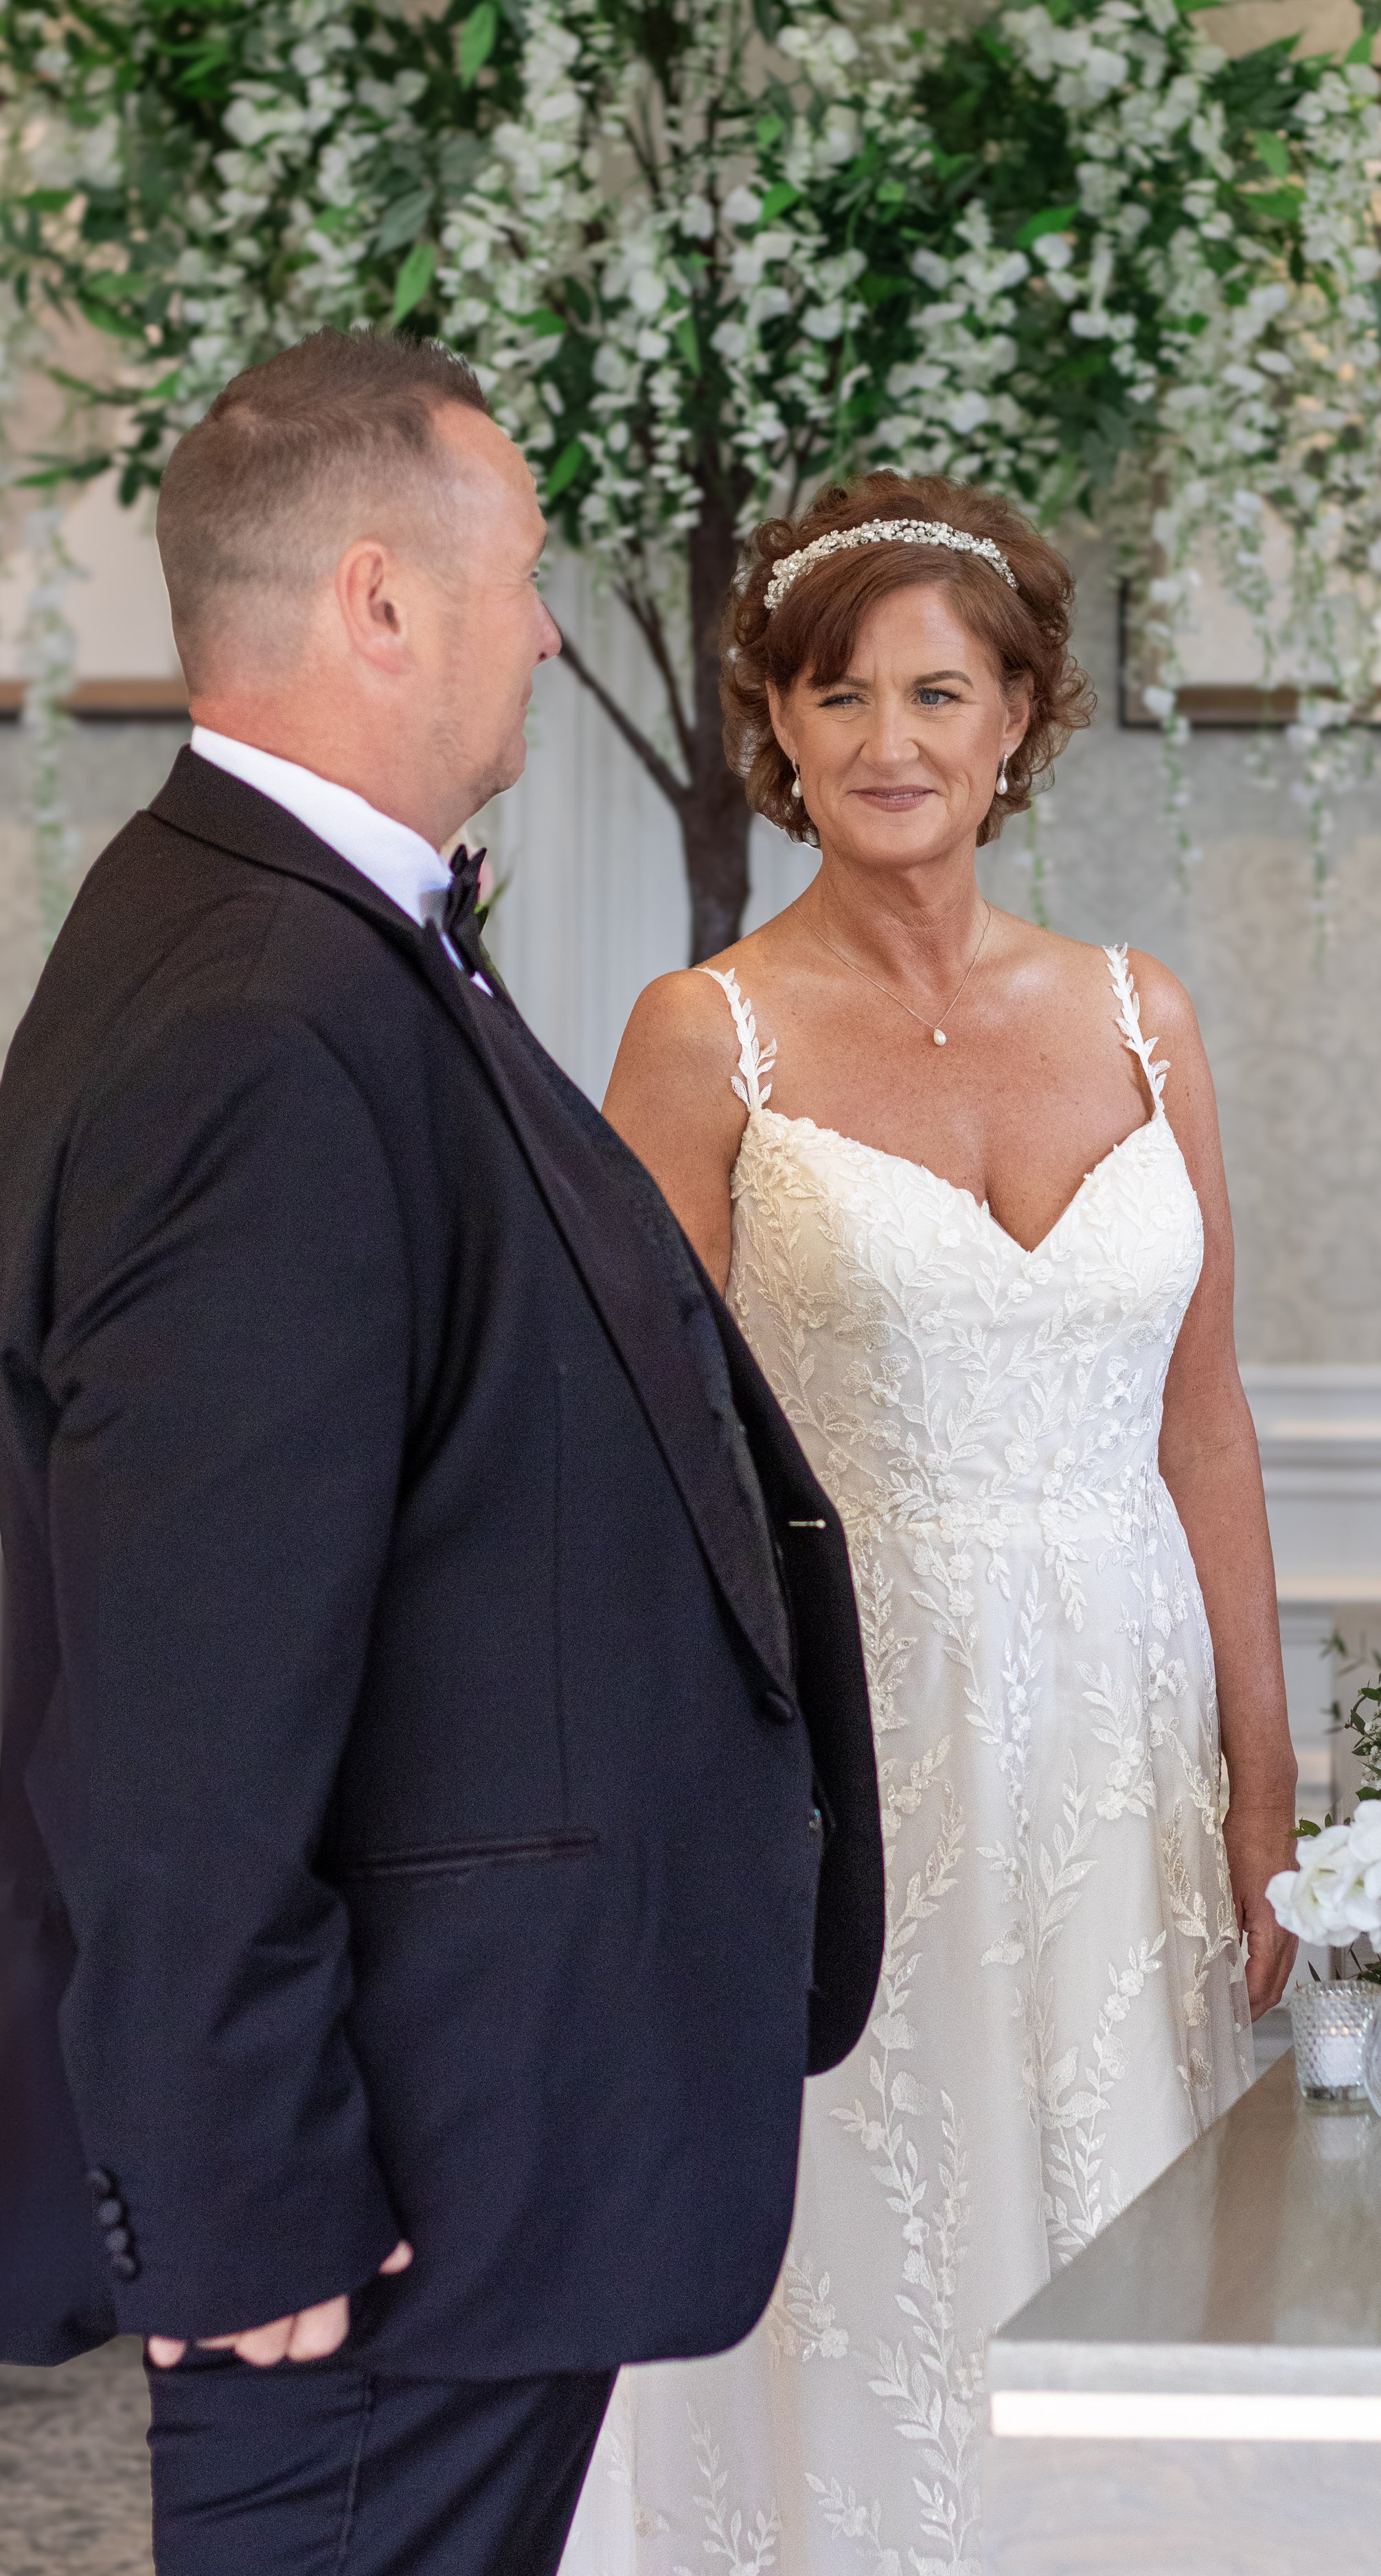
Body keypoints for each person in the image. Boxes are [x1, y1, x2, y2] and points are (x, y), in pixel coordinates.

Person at [0, 330, 883, 2576]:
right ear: (381, 600)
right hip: (369, 2223)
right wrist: (243, 2187)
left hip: (474, 2148)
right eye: (527, 576)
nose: (552, 627)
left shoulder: (295, 937)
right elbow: (174, 1691)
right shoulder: (255, 1018)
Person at [583, 472, 1299, 2573]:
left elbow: (1206, 1429)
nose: (888, 742)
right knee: (879, 2221)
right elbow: (631, 1467)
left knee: (1122, 2193)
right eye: (838, 696)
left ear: (1017, 721)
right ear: (777, 733)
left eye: (936, 692)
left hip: (1126, 1736)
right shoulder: (699, 1038)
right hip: (849, 1740)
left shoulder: (1141, 1016)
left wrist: (1266, 1786)